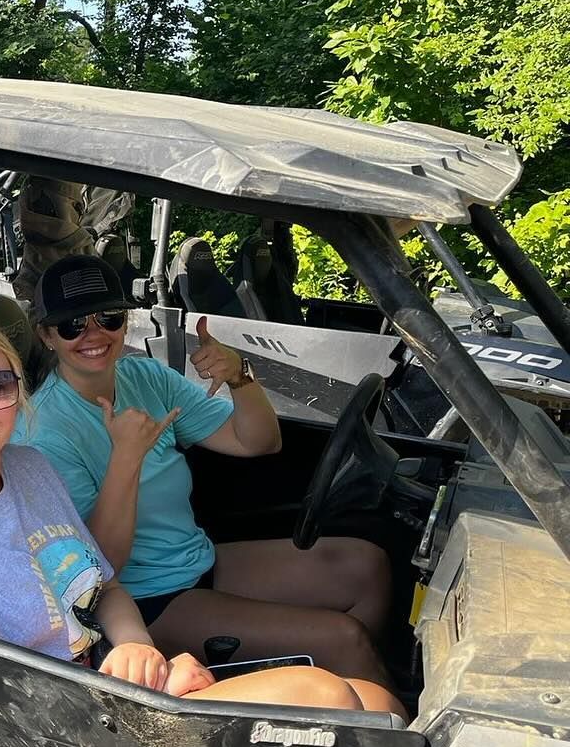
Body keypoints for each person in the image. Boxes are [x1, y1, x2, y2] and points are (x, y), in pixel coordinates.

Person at [0, 308, 400, 712]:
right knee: (326, 695)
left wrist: (139, 649)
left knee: (377, 705)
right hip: (73, 733)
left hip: (121, 685)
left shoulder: (27, 468)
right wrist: (143, 692)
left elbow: (105, 587)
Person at [20, 253, 395, 687]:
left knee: (369, 568)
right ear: (47, 335)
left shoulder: (143, 377)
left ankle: (351, 690)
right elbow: (99, 569)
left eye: (109, 317)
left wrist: (240, 377)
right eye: (72, 325)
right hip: (145, 602)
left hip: (200, 560)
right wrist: (126, 458)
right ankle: (363, 709)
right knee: (344, 639)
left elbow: (258, 441)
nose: (95, 334)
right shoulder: (43, 434)